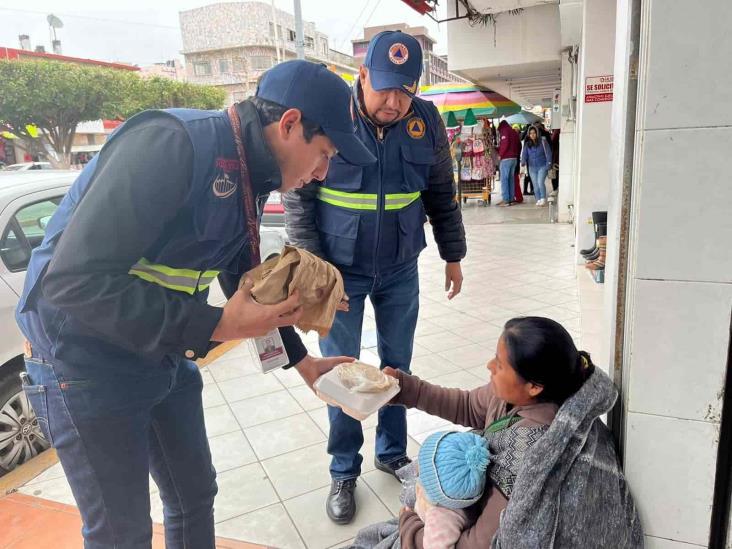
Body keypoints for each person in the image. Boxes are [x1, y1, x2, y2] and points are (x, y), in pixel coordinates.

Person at [14, 60, 374, 549]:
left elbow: (244, 281)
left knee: (193, 495)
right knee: (122, 532)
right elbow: (72, 282)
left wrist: (304, 363)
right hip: (81, 361)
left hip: (161, 350)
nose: (322, 173)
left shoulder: (250, 172)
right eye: (324, 153)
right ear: (290, 125)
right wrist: (218, 323)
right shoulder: (172, 145)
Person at [283, 30, 466, 525]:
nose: (393, 101)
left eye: (404, 90)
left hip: (401, 267)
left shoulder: (425, 122)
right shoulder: (331, 117)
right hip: (340, 274)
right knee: (341, 370)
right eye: (384, 88)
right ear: (361, 75)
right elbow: (300, 204)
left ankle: (391, 452)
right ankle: (344, 469)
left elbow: (441, 195)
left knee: (396, 364)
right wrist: (319, 278)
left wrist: (453, 255)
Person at [349, 316, 643, 549]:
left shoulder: (531, 455)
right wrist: (402, 388)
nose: (489, 366)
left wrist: (412, 529)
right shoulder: (517, 395)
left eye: (499, 365)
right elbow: (466, 405)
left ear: (534, 386)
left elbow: (479, 543)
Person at [414, 431, 491, 549]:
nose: (417, 466)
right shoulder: (463, 493)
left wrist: (409, 520)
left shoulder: (441, 518)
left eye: (422, 471)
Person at [520, 125, 552, 206]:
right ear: (529, 135)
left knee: (540, 182)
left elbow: (548, 153)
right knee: (535, 185)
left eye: (534, 133)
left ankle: (543, 198)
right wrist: (523, 162)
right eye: (531, 133)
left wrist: (549, 164)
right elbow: (524, 154)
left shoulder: (543, 142)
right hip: (532, 167)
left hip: (542, 166)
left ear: (537, 133)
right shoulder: (527, 144)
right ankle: (538, 199)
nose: (532, 135)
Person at [497, 120, 521, 206]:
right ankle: (511, 198)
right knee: (511, 179)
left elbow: (505, 143)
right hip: (514, 158)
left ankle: (506, 200)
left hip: (506, 159)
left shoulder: (504, 130)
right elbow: (518, 144)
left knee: (504, 179)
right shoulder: (513, 132)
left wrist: (500, 154)